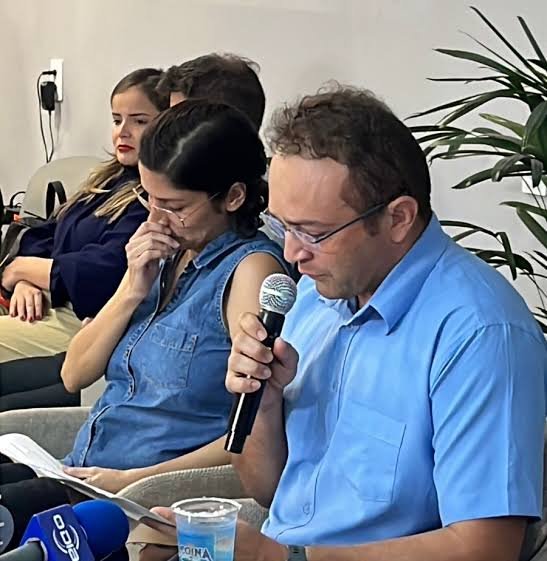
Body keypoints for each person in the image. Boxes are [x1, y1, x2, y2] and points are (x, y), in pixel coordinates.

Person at [216, 85, 546, 560]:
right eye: (284, 226)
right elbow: (271, 491)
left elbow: (485, 547)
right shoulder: (313, 297)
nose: (291, 253)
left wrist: (288, 559)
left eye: (313, 233)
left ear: (398, 218)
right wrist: (262, 403)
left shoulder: (480, 333)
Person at [0, 98, 287, 551]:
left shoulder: (250, 272)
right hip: (79, 470)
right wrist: (133, 286)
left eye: (174, 205)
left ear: (233, 197)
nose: (155, 217)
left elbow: (248, 435)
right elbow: (74, 373)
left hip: (134, 495)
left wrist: (133, 479)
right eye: (147, 197)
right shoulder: (167, 251)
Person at [0, 67, 169, 410]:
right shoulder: (107, 179)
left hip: (82, 322)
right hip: (42, 303)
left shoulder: (150, 200)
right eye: (117, 119)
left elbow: (104, 271)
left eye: (139, 121)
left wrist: (21, 269)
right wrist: (25, 281)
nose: (123, 131)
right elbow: (46, 232)